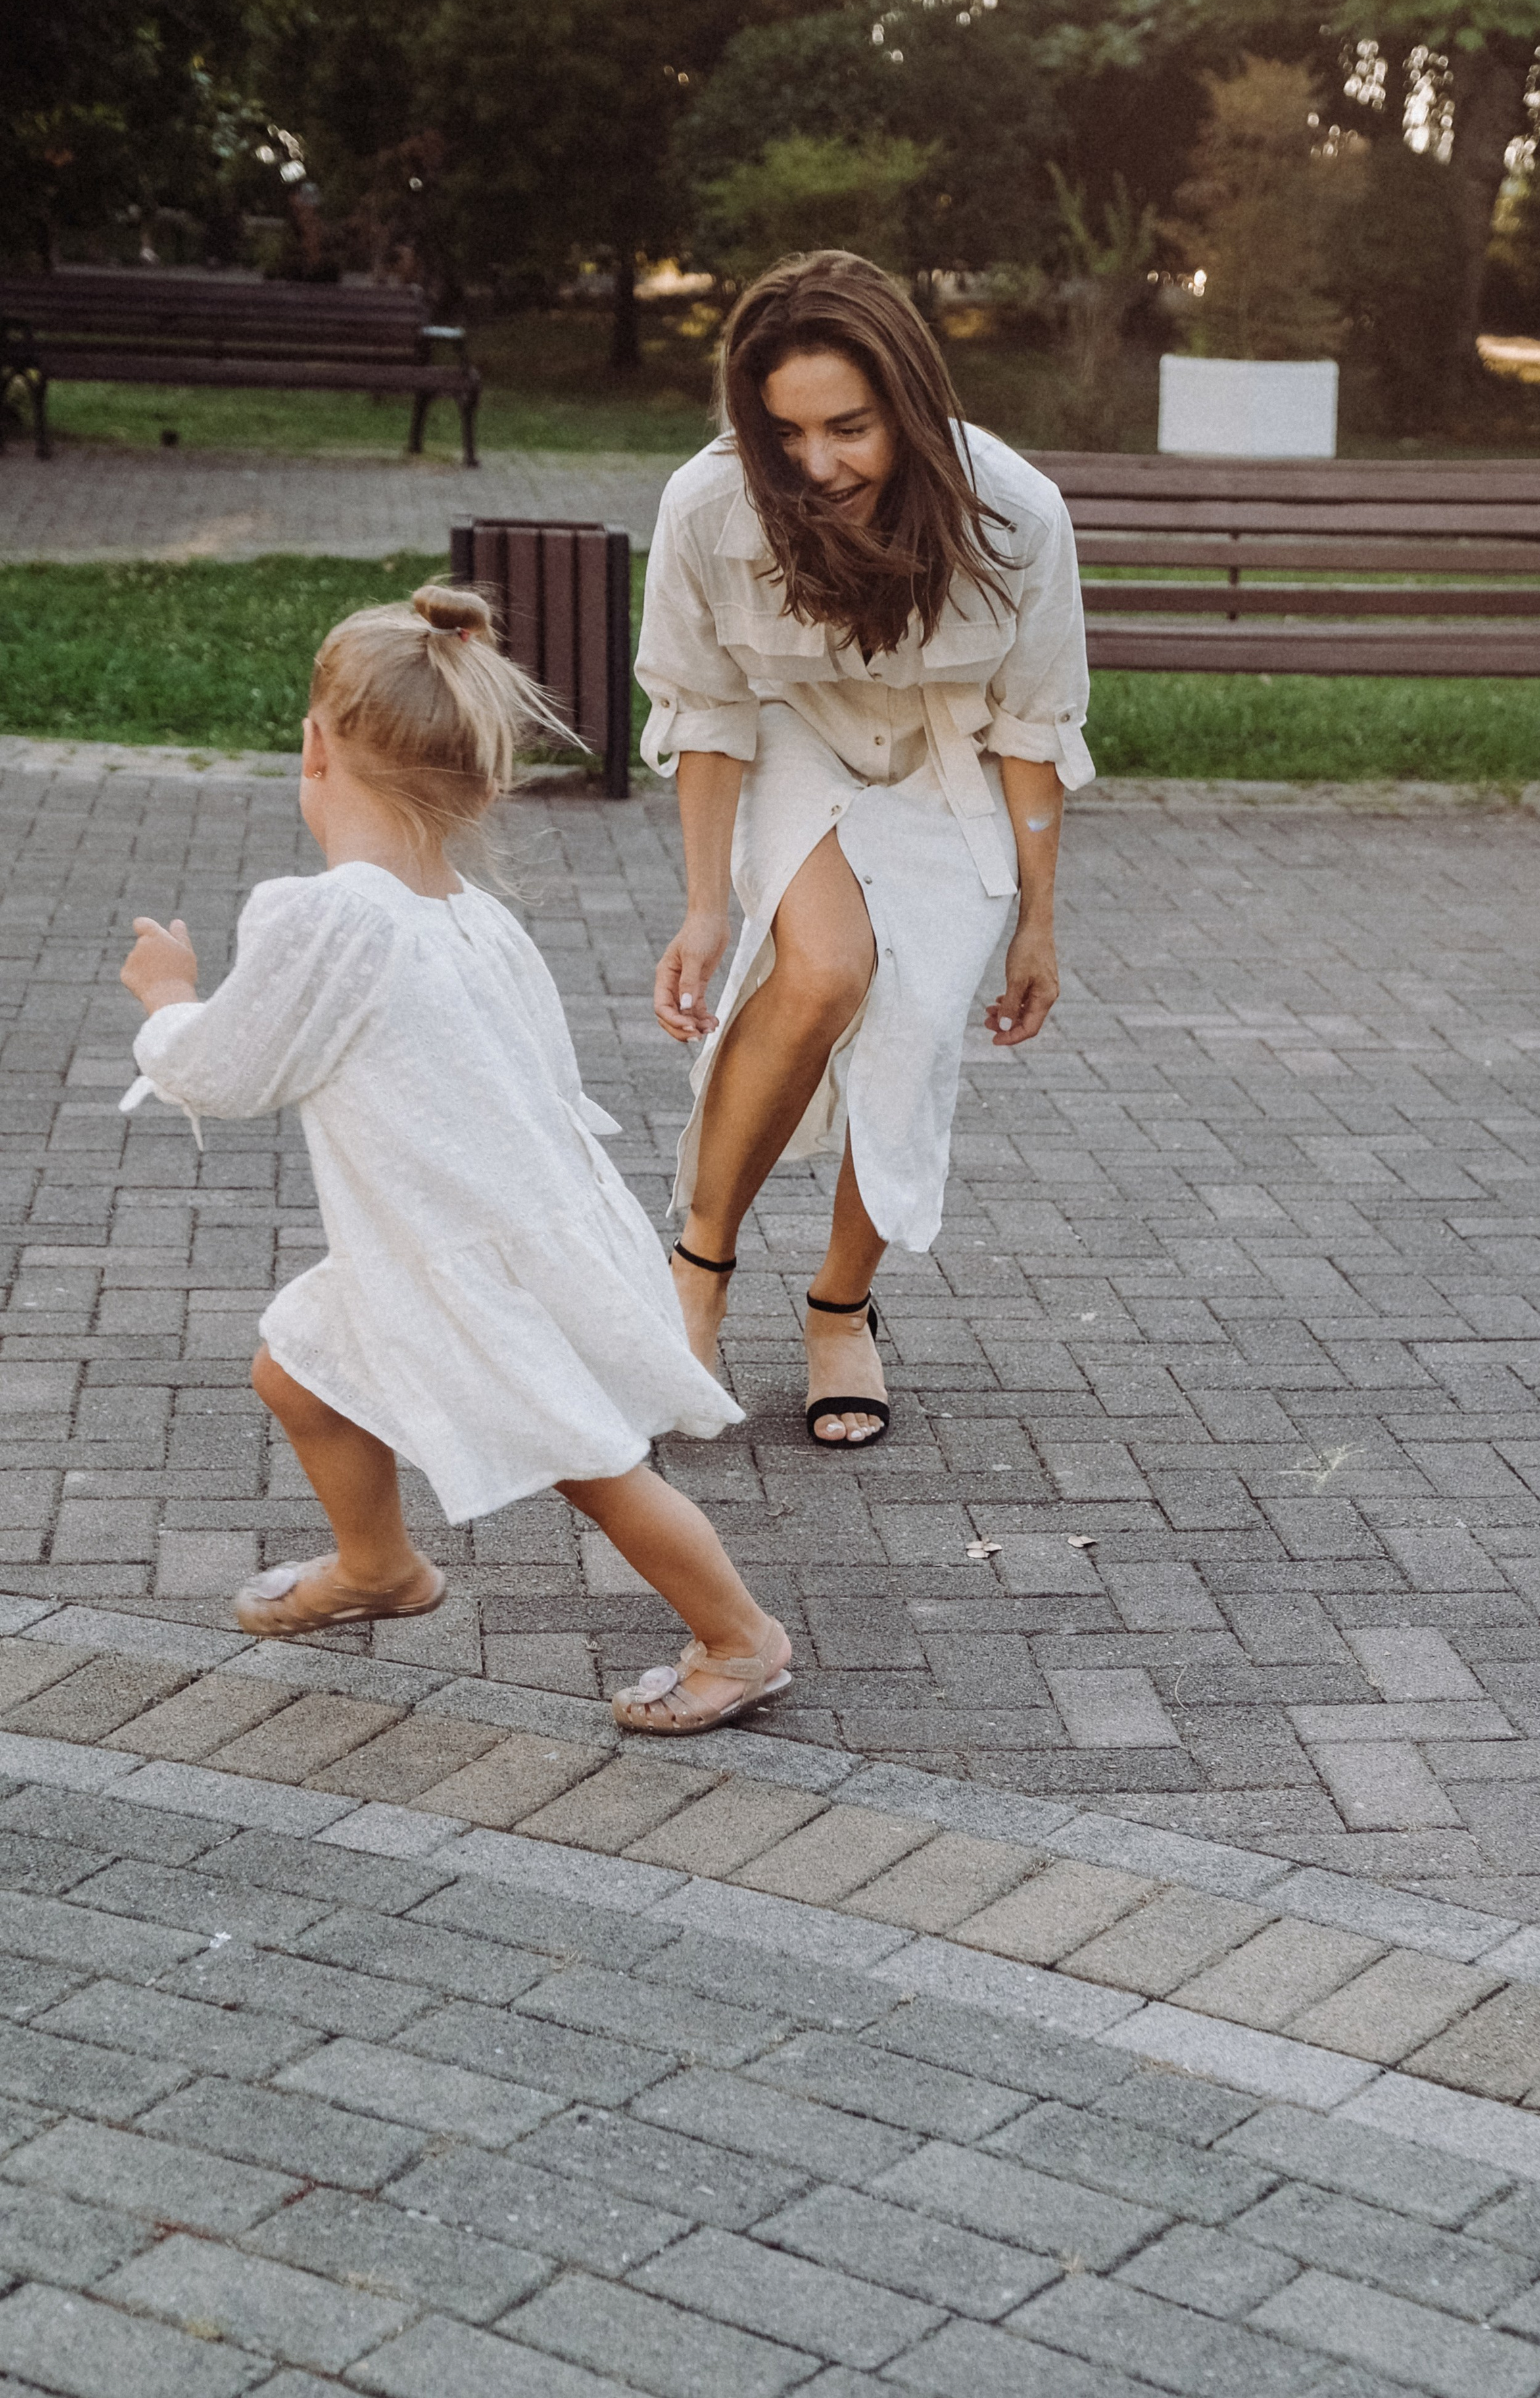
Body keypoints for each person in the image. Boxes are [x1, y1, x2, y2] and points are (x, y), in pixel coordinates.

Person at [118, 583, 790, 1736]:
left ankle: (741, 1641)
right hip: (466, 1233)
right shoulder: (467, 909)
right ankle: (379, 1569)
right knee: (297, 1368)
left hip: (465, 1250)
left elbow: (231, 1074)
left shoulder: (337, 916)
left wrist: (169, 1003)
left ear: (314, 746)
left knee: (592, 1461)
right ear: (479, 778)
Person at [638, 249, 1092, 1448]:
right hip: (793, 740)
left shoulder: (1017, 511)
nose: (817, 465)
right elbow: (708, 712)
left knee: (912, 1026)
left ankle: (842, 1310)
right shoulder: (706, 504)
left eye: (849, 427)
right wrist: (704, 908)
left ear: (912, 400)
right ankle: (697, 1268)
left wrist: (1038, 922)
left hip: (945, 760)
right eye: (786, 433)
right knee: (830, 971)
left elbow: (1035, 729)